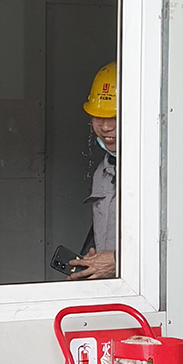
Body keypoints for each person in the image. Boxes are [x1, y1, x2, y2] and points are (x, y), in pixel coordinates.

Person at [69, 63, 117, 280]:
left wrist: (116, 261)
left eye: (114, 117)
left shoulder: (159, 173)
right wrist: (93, 262)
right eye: (98, 117)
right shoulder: (103, 171)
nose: (105, 127)